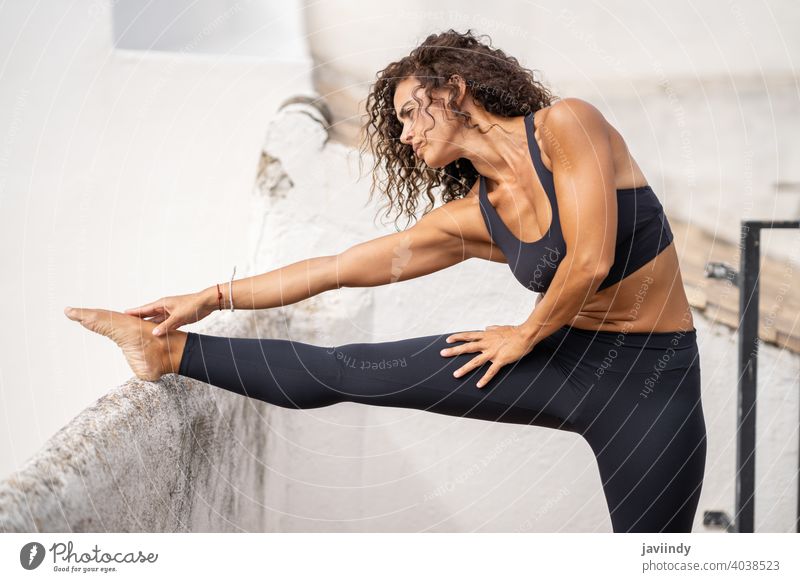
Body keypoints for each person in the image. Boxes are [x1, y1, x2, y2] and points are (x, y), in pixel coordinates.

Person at [64, 29, 706, 533]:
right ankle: (168, 352)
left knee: (654, 560)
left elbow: (590, 259)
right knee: (347, 369)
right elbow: (338, 268)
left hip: (654, 383)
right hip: (558, 358)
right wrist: (211, 295)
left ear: (454, 90)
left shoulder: (569, 127)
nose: (402, 134)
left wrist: (522, 333)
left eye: (408, 113)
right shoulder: (470, 219)